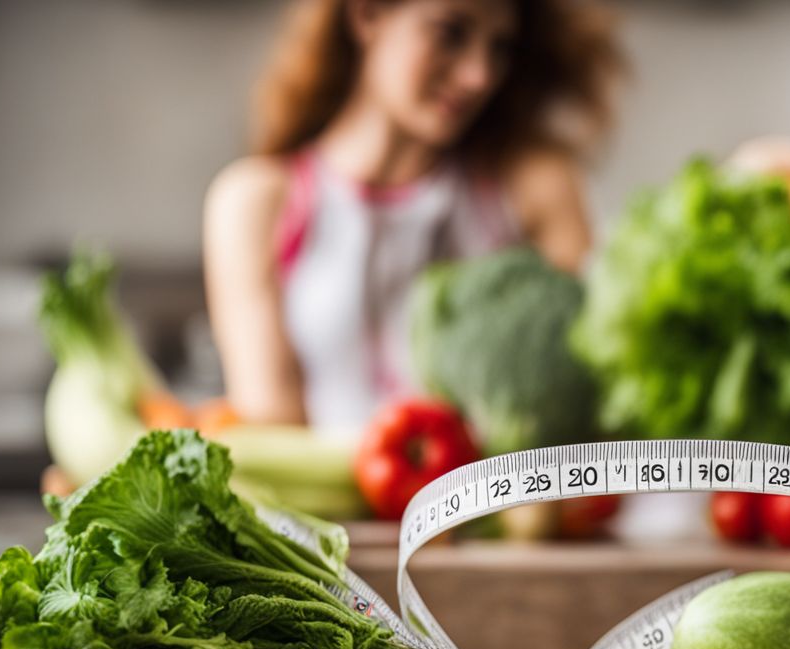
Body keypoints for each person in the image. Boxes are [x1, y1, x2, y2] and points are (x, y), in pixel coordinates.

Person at [203, 0, 622, 435]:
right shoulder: (256, 203)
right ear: (367, 14)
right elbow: (274, 427)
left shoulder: (533, 190)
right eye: (451, 33)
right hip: (317, 503)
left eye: (499, 48)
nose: (478, 75)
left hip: (492, 500)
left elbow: (591, 384)